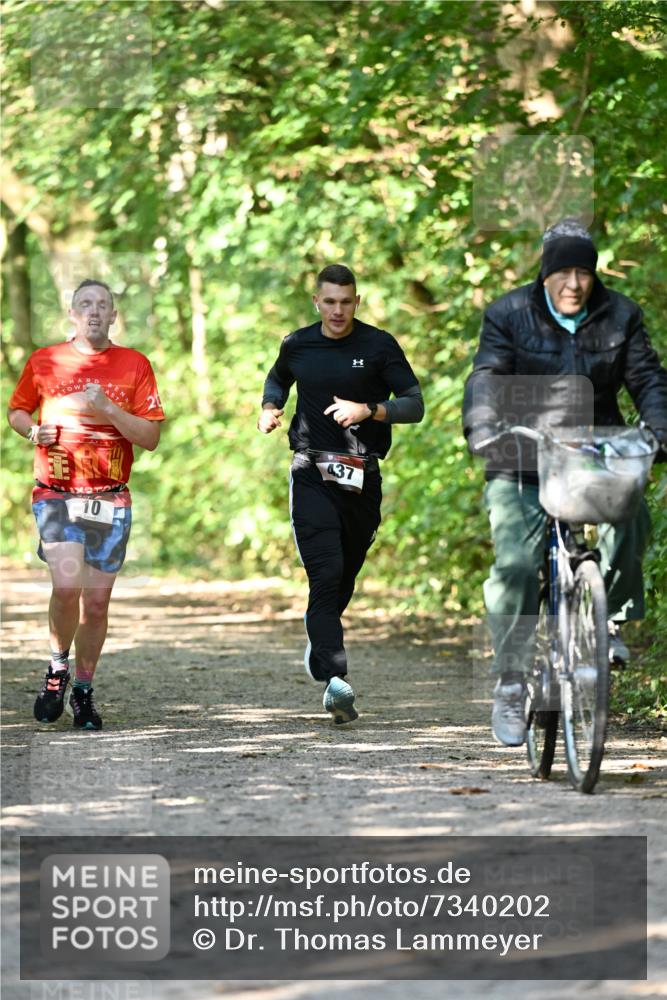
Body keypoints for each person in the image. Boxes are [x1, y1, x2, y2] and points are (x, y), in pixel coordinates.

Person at [463, 219, 667, 747]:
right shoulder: (508, 314)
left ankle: (611, 621)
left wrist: (660, 430)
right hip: (522, 454)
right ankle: (511, 681)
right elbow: (487, 375)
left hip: (592, 451)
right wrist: (482, 426)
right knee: (515, 564)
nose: (574, 283)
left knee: (631, 511)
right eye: (564, 272)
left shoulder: (620, 315)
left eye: (584, 271)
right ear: (546, 273)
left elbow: (646, 378)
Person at [258, 264, 424, 724]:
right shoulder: (297, 343)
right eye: (329, 301)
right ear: (317, 302)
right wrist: (270, 407)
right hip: (310, 468)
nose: (337, 310)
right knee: (325, 571)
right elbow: (278, 378)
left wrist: (369, 410)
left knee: (345, 573)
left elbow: (415, 404)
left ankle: (320, 636)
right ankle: (335, 678)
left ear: (357, 302)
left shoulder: (378, 345)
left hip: (362, 476)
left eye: (345, 302)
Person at [7, 279, 165, 731]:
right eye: (85, 305)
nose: (94, 311)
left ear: (114, 316)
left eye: (103, 305)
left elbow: (150, 438)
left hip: (109, 498)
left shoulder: (134, 365)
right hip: (56, 493)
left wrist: (110, 411)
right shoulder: (45, 361)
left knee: (96, 604)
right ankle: (57, 667)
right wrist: (32, 431)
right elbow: (17, 411)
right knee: (66, 585)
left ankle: (84, 690)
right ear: (72, 315)